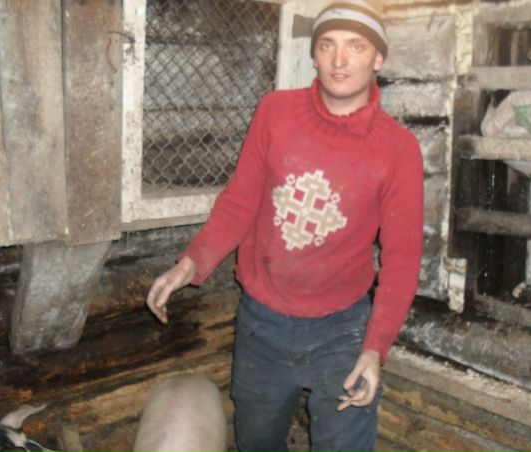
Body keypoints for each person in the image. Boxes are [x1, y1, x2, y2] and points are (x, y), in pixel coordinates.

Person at [146, 0, 424, 451]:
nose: (339, 60)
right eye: (328, 45)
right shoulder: (275, 112)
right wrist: (192, 262)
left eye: (356, 47)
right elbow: (240, 202)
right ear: (314, 54)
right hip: (263, 323)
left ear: (378, 58)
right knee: (256, 441)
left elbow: (402, 259)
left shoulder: (398, 148)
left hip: (342, 329)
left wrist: (375, 348)